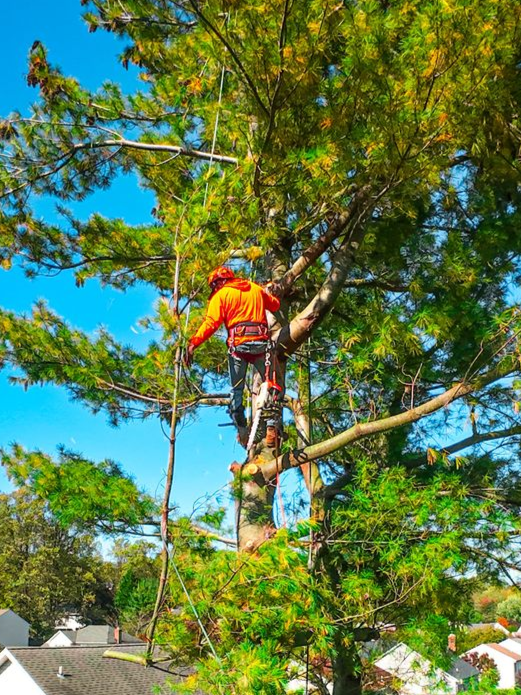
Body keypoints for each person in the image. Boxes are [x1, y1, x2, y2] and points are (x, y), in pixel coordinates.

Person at [185, 267, 282, 447]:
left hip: (238, 347)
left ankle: (242, 428)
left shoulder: (221, 295)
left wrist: (193, 343)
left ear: (218, 283)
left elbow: (211, 323)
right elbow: (275, 305)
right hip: (261, 345)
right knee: (273, 384)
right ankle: (272, 427)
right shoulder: (255, 289)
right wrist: (267, 292)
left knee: (236, 390)